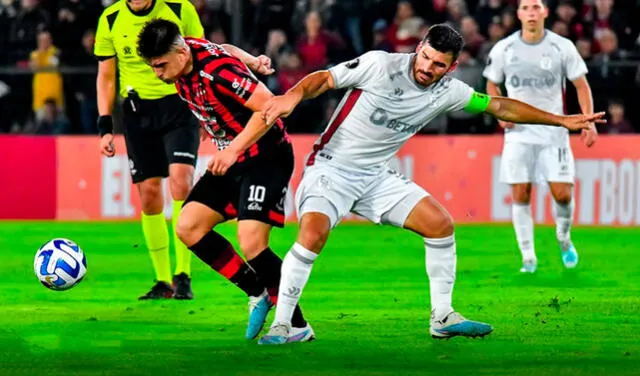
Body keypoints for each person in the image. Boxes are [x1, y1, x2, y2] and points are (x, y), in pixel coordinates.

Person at [257, 24, 605, 345]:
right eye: (425, 57)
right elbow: (324, 79)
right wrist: (292, 96)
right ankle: (287, 325)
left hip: (376, 176)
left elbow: (499, 106)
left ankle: (442, 316)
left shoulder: (448, 91)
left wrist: (560, 120)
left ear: (451, 67)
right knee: (313, 234)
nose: (427, 68)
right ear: (419, 47)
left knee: (440, 225)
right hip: (331, 168)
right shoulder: (380, 64)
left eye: (439, 65)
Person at [136, 19, 313, 341]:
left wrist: (231, 149)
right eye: (152, 67)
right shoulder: (190, 50)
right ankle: (257, 290)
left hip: (265, 156)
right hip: (232, 158)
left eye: (160, 65)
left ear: (179, 52)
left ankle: (296, 325)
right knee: (188, 225)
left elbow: (270, 108)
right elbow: (226, 49)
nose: (157, 74)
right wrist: (252, 60)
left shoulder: (216, 71)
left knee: (251, 242)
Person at [94, 0, 204, 300]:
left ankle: (183, 275)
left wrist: (207, 109)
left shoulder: (180, 10)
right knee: (149, 193)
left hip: (180, 106)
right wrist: (105, 125)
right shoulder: (111, 18)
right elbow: (106, 76)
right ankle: (162, 280)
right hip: (137, 112)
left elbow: (202, 57)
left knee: (181, 181)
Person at [483, 0, 598, 273]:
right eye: (526, 8)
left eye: (536, 7)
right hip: (519, 134)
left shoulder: (562, 46)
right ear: (519, 14)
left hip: (553, 133)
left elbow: (581, 85)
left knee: (562, 194)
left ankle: (564, 238)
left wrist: (588, 122)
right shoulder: (504, 48)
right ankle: (528, 256)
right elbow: (491, 82)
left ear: (545, 12)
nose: (531, 13)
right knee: (520, 193)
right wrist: (499, 112)